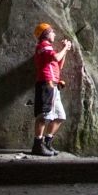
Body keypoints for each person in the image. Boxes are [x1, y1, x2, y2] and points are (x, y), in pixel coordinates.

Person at [31, 22, 73, 156]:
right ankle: (37, 145)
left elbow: (58, 64)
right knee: (43, 115)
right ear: (46, 33)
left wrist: (65, 50)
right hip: (46, 83)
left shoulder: (48, 47)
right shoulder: (43, 45)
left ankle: (47, 143)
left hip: (53, 85)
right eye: (52, 31)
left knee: (60, 116)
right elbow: (55, 57)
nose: (54, 34)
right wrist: (65, 48)